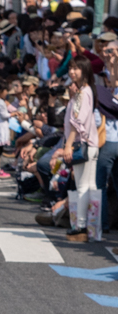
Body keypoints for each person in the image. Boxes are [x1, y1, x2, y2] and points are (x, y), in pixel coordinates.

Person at [59, 56, 100, 241]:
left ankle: (81, 226)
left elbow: (77, 121)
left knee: (83, 186)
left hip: (81, 144)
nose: (72, 72)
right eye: (70, 68)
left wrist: (68, 145)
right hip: (90, 144)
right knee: (90, 186)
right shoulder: (85, 91)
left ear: (84, 70)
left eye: (76, 68)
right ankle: (92, 227)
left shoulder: (84, 92)